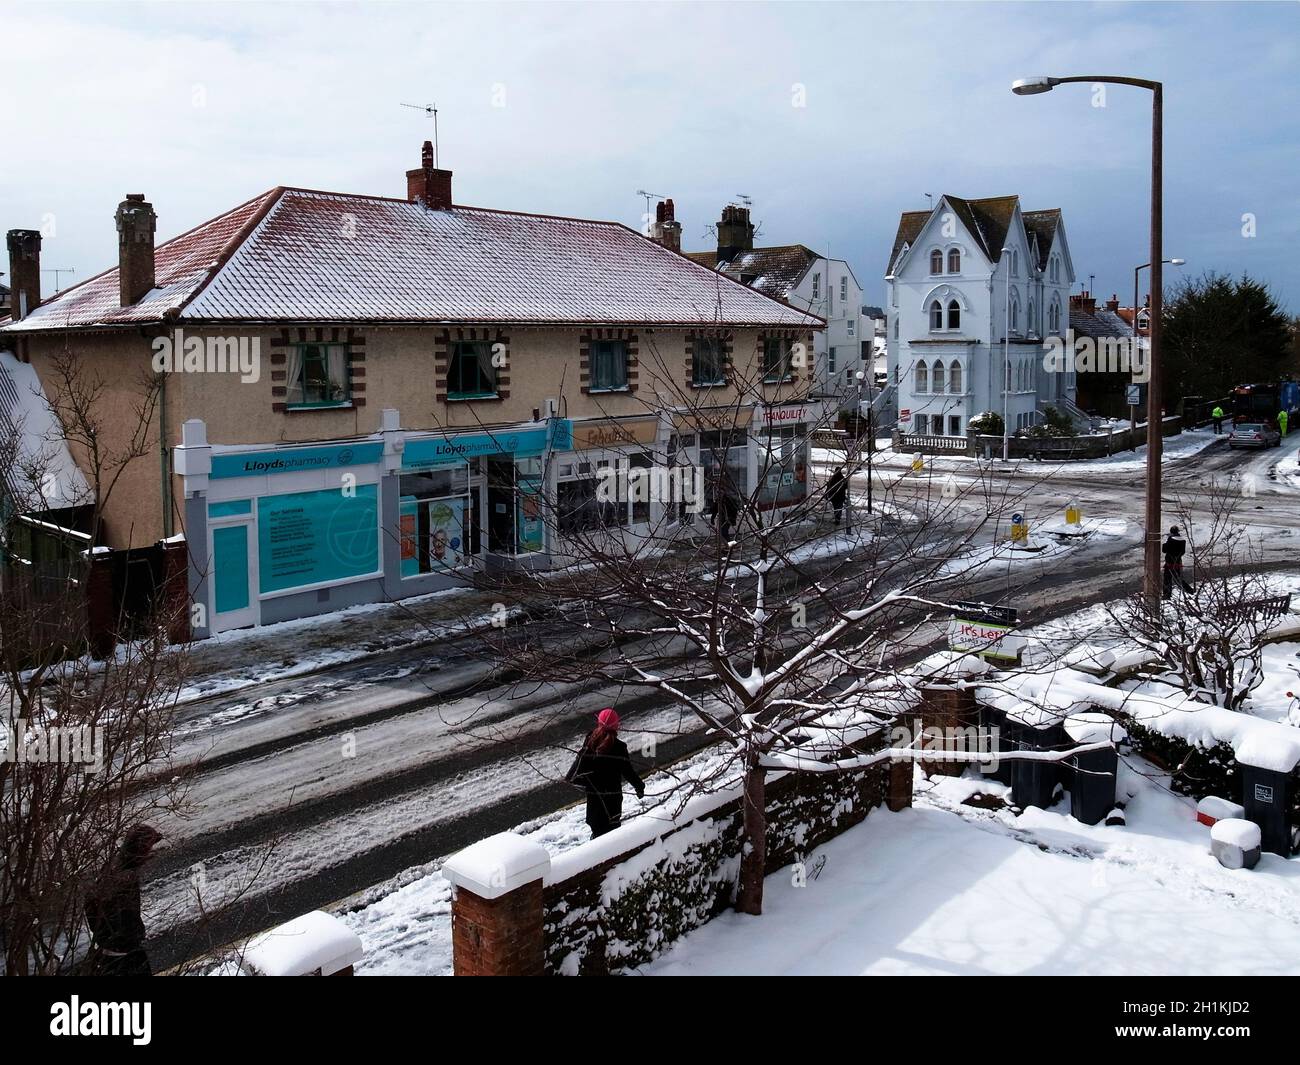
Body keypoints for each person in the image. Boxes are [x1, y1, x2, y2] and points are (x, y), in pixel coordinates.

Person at [85, 824, 163, 976]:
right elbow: (125, 917)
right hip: (125, 957)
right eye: (148, 848)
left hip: (111, 953)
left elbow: (90, 900)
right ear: (140, 849)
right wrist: (131, 937)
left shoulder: (115, 866)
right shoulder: (126, 878)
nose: (150, 852)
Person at [566, 708, 645, 838]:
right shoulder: (619, 747)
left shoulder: (590, 742)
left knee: (598, 837)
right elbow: (628, 771)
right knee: (613, 838)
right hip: (611, 804)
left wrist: (588, 784)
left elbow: (576, 770)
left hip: (594, 804)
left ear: (599, 723)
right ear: (617, 725)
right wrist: (639, 786)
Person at [1162, 526, 1191, 599]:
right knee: (1178, 578)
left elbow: (1165, 550)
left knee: (1167, 579)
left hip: (1169, 562)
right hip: (1178, 562)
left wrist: (1165, 545)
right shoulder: (1182, 540)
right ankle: (1190, 591)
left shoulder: (1171, 539)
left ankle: (1167, 594)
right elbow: (1183, 552)